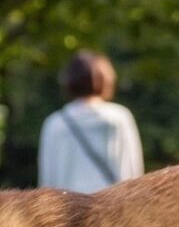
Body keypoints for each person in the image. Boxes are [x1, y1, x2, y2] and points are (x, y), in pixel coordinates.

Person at [37, 50, 144, 194]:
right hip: (112, 208)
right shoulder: (119, 117)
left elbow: (47, 180)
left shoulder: (55, 123)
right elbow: (133, 172)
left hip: (68, 211)